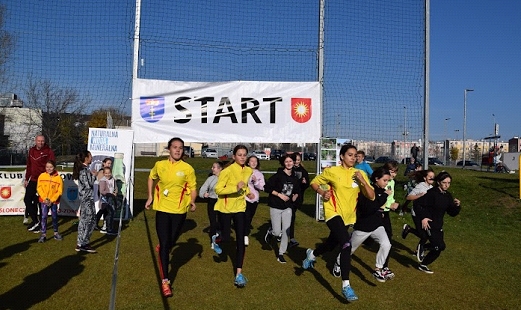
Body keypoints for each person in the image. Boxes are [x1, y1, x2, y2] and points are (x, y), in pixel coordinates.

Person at [302, 144, 375, 302]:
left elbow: (371, 196)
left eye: (355, 155)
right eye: (350, 155)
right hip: (332, 213)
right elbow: (314, 182)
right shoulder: (332, 172)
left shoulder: (360, 173)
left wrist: (362, 181)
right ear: (342, 156)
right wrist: (322, 192)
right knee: (346, 244)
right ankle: (346, 286)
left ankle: (312, 254)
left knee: (330, 244)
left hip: (348, 217)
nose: (353, 158)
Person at [145, 137, 197, 297]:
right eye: (175, 147)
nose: (178, 150)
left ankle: (163, 247)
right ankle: (165, 281)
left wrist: (193, 201)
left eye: (180, 148)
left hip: (180, 211)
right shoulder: (160, 165)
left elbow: (193, 188)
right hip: (162, 209)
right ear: (169, 149)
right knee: (166, 243)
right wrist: (150, 196)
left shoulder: (188, 168)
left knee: (171, 241)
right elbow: (151, 178)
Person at [213, 145, 253, 288]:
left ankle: (239, 274)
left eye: (244, 155)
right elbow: (218, 190)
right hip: (225, 208)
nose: (242, 157)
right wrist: (235, 188)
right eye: (239, 154)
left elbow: (245, 184)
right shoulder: (227, 171)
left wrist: (248, 192)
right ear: (234, 157)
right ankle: (217, 239)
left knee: (241, 239)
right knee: (226, 238)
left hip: (240, 208)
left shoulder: (248, 170)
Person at [348, 167, 393, 282]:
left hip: (377, 225)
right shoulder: (368, 190)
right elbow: (371, 208)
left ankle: (378, 269)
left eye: (388, 180)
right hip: (364, 226)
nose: (386, 183)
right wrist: (384, 197)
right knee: (350, 249)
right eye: (384, 180)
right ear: (377, 179)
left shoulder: (381, 191)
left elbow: (378, 207)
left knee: (386, 244)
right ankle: (339, 263)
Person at [414, 171, 461, 274]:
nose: (446, 185)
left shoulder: (448, 196)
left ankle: (423, 264)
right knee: (436, 246)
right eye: (444, 182)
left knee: (441, 247)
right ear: (439, 182)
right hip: (429, 224)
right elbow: (418, 205)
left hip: (438, 225)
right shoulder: (432, 193)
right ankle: (422, 247)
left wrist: (457, 206)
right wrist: (424, 217)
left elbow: (451, 213)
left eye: (449, 183)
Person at [263, 153, 300, 263]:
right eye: (286, 162)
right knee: (277, 231)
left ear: (294, 163)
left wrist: (295, 196)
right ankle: (271, 232)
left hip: (288, 207)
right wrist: (279, 195)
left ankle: (281, 253)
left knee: (286, 231)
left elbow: (297, 190)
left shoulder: (295, 177)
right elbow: (267, 188)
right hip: (275, 205)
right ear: (283, 163)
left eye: (291, 161)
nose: (289, 163)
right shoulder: (278, 176)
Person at [24, 135, 56, 231]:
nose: (40, 143)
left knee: (41, 202)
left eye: (42, 141)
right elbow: (29, 165)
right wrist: (26, 178)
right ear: (35, 141)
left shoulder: (48, 151)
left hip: (43, 181)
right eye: (39, 141)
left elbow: (52, 165)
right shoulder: (31, 150)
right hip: (33, 180)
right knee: (27, 199)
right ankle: (35, 220)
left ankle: (42, 224)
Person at [401, 169, 435, 258]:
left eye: (433, 177)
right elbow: (408, 197)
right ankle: (419, 251)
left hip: (426, 214)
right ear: (425, 178)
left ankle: (409, 229)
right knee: (424, 235)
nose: (432, 178)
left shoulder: (431, 188)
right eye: (430, 177)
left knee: (425, 234)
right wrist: (419, 195)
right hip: (417, 212)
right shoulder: (420, 186)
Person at [73, 150, 97, 253]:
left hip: (85, 198)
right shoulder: (84, 170)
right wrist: (95, 175)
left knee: (83, 220)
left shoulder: (84, 169)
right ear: (86, 158)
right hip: (87, 198)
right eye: (90, 156)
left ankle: (80, 242)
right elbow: (88, 184)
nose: (92, 158)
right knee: (90, 220)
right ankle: (84, 243)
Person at [36, 160, 63, 243]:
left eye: (51, 167)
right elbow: (39, 188)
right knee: (43, 217)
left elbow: (60, 191)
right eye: (47, 167)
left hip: (53, 202)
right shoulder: (42, 176)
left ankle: (56, 232)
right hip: (44, 201)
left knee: (54, 217)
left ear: (54, 167)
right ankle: (43, 234)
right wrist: (45, 199)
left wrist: (52, 200)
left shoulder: (58, 178)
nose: (49, 169)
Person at [199, 161, 224, 248]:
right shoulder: (210, 178)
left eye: (214, 167)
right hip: (212, 201)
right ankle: (213, 241)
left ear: (220, 169)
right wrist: (203, 194)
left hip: (223, 202)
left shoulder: (225, 178)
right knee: (213, 222)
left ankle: (221, 237)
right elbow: (203, 188)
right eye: (212, 167)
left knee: (222, 221)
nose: (212, 169)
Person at [288, 152, 309, 247]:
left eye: (298, 160)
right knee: (289, 216)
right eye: (295, 160)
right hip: (288, 197)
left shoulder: (303, 171)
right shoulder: (288, 170)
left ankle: (289, 236)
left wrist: (304, 183)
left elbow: (307, 184)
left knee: (291, 216)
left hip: (297, 198)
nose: (296, 162)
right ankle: (289, 237)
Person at [244, 155, 265, 246]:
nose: (253, 163)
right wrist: (247, 193)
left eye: (255, 161)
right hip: (244, 198)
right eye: (251, 161)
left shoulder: (259, 174)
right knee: (245, 216)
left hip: (254, 199)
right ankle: (244, 235)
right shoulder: (244, 171)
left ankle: (244, 231)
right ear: (248, 162)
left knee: (249, 217)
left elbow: (262, 187)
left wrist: (256, 181)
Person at [97, 167, 118, 236]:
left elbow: (115, 188)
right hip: (105, 200)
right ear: (103, 174)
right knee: (110, 213)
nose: (107, 174)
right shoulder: (103, 181)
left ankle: (105, 227)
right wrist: (110, 194)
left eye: (109, 173)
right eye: (106, 173)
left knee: (107, 213)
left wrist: (115, 193)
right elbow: (102, 191)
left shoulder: (112, 179)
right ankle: (109, 229)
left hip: (111, 200)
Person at [94, 157, 112, 232]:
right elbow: (102, 183)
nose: (109, 165)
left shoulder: (109, 172)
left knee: (104, 210)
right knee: (103, 209)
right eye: (108, 163)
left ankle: (103, 224)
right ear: (104, 163)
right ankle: (97, 223)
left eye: (110, 163)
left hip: (107, 194)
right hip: (103, 194)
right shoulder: (102, 172)